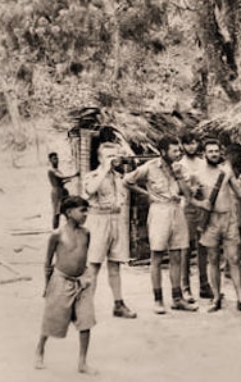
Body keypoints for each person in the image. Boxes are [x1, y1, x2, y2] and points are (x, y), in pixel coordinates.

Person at [124, 135, 198, 314]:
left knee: (177, 256)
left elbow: (188, 195)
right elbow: (127, 180)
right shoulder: (150, 167)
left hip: (177, 210)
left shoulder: (180, 168)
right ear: (164, 152)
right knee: (156, 256)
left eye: (179, 150)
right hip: (159, 211)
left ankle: (177, 299)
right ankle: (158, 300)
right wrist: (146, 194)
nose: (178, 153)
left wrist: (179, 177)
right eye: (174, 150)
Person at [190, 139, 241, 314]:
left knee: (234, 259)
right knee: (212, 259)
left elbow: (240, 193)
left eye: (216, 151)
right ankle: (216, 298)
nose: (214, 154)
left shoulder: (226, 171)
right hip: (210, 221)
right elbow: (190, 199)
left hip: (229, 219)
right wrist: (200, 203)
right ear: (204, 153)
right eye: (210, 151)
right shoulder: (197, 174)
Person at [35, 196, 97, 375]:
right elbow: (47, 263)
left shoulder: (86, 233)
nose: (86, 214)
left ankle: (82, 362)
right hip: (61, 280)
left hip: (82, 282)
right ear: (69, 213)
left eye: (87, 210)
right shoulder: (57, 235)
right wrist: (47, 287)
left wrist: (87, 277)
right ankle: (40, 348)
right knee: (52, 318)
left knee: (86, 320)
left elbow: (83, 256)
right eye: (82, 210)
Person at [83, 145, 137, 319]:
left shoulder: (119, 177)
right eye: (108, 156)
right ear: (100, 158)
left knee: (115, 265)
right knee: (94, 265)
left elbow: (122, 196)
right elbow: (90, 190)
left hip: (115, 220)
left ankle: (118, 304)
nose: (113, 158)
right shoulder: (92, 176)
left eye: (114, 155)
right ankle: (86, 307)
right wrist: (104, 169)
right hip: (98, 221)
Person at [179, 131, 214, 302]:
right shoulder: (180, 164)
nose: (191, 146)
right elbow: (178, 188)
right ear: (182, 145)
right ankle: (185, 287)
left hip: (203, 206)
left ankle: (204, 285)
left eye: (193, 143)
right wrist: (188, 190)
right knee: (186, 247)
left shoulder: (203, 163)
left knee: (203, 246)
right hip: (187, 208)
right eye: (188, 143)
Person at [47, 152, 79, 229]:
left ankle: (71, 229)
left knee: (66, 211)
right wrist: (74, 175)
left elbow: (61, 181)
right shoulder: (51, 170)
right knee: (57, 213)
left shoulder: (57, 170)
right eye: (54, 159)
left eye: (57, 158)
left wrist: (67, 181)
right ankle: (55, 230)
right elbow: (61, 177)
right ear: (50, 161)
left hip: (63, 192)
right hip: (57, 193)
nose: (56, 160)